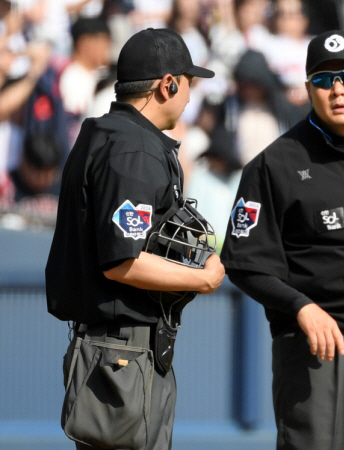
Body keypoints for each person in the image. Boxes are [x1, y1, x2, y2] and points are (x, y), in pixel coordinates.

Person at [220, 30, 344, 450]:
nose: (338, 90)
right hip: (325, 345)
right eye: (325, 80)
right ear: (308, 87)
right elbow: (243, 260)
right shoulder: (275, 163)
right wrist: (301, 307)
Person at [45, 28, 225, 450]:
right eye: (189, 84)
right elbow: (122, 260)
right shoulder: (133, 149)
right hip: (122, 355)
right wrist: (202, 279)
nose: (188, 96)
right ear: (169, 84)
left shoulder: (108, 133)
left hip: (116, 351)